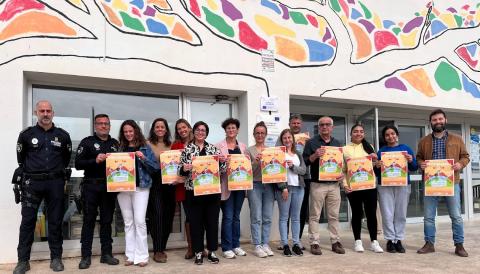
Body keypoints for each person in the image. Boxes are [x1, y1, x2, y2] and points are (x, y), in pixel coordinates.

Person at [14, 100, 72, 274]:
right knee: (27, 222)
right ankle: (23, 261)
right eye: (42, 111)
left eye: (48, 111)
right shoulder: (26, 135)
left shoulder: (63, 136)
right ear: (36, 113)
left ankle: (56, 258)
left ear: (53, 113)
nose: (45, 114)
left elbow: (66, 158)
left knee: (54, 221)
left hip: (55, 183)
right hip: (32, 184)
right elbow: (21, 158)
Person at [416, 109, 470, 257]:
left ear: (445, 120)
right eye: (434, 120)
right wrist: (420, 164)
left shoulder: (457, 139)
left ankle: (459, 245)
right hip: (431, 183)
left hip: (451, 182)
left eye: (440, 119)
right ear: (431, 122)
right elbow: (419, 157)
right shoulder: (424, 141)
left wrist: (460, 164)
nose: (438, 122)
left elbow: (465, 157)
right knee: (428, 216)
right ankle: (429, 244)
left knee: (456, 216)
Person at [75, 114, 120, 269]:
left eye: (106, 123)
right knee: (89, 221)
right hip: (91, 187)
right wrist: (95, 160)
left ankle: (106, 254)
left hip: (109, 187)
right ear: (95, 126)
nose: (103, 126)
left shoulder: (115, 143)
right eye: (100, 123)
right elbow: (78, 164)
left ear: (109, 125)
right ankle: (85, 256)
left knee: (107, 221)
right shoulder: (87, 142)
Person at [180, 121, 227, 265]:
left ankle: (212, 251)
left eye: (203, 130)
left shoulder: (213, 149)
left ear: (206, 133)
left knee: (212, 223)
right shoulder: (187, 149)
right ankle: (198, 252)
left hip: (212, 192)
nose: (201, 132)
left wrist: (222, 161)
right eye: (198, 130)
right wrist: (185, 168)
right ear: (193, 132)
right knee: (196, 223)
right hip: (193, 192)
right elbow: (180, 171)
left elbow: (223, 169)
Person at [117, 120, 159, 267]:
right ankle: (130, 255)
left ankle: (142, 256)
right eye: (125, 131)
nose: (128, 134)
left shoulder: (145, 147)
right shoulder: (120, 148)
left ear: (135, 131)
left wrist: (143, 157)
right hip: (123, 189)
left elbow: (155, 168)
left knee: (140, 221)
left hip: (141, 188)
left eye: (130, 131)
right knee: (128, 223)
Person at [303, 116, 345, 255]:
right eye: (322, 125)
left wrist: (341, 174)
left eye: (328, 124)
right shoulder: (311, 142)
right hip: (317, 185)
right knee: (315, 215)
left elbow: (341, 164)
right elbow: (305, 162)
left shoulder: (338, 143)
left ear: (332, 127)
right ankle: (314, 243)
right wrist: (314, 155)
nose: (325, 127)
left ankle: (335, 241)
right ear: (318, 127)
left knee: (334, 215)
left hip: (334, 185)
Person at [375, 125, 418, 253]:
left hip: (402, 184)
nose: (390, 136)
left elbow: (414, 167)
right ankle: (389, 240)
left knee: (400, 213)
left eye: (392, 133)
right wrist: (377, 166)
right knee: (387, 213)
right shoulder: (381, 151)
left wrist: (410, 160)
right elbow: (377, 172)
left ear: (397, 135)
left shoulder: (405, 149)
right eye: (387, 135)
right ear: (384, 137)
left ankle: (398, 240)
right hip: (385, 186)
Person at [343, 123, 383, 253]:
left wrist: (377, 162)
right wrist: (344, 185)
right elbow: (343, 170)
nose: (358, 133)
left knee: (371, 213)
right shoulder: (344, 149)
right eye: (355, 131)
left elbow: (373, 166)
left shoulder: (369, 146)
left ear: (364, 134)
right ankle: (357, 241)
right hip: (353, 187)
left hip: (369, 186)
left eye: (361, 131)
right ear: (351, 134)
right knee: (357, 213)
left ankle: (374, 242)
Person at [216, 118, 248, 259]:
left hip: (240, 186)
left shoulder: (242, 146)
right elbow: (214, 168)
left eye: (233, 128)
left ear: (237, 130)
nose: (231, 130)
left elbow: (246, 167)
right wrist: (221, 162)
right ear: (225, 130)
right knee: (228, 217)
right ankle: (226, 247)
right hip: (226, 186)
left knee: (236, 217)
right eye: (228, 128)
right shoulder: (218, 146)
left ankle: (236, 245)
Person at [146, 118, 176, 263]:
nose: (159, 129)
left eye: (162, 127)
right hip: (155, 182)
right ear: (153, 129)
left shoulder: (172, 145)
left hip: (170, 183)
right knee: (156, 215)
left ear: (166, 129)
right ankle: (157, 250)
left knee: (168, 216)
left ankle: (162, 247)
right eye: (157, 126)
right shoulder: (147, 143)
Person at [246, 121, 276, 258]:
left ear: (266, 134)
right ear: (254, 134)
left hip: (269, 186)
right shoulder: (249, 150)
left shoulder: (271, 150)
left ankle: (265, 243)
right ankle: (257, 245)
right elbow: (247, 172)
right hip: (255, 185)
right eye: (257, 133)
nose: (260, 135)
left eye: (262, 133)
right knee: (256, 217)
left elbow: (276, 170)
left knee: (268, 217)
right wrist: (255, 162)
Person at [276, 129, 306, 257]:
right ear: (281, 140)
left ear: (293, 139)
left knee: (296, 218)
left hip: (299, 188)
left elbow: (304, 170)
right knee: (284, 217)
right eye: (285, 138)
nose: (287, 140)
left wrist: (293, 166)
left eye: (289, 137)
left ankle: (296, 244)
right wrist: (283, 187)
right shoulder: (278, 153)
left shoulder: (298, 154)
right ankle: (285, 244)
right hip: (285, 189)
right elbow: (276, 173)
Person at [171, 118, 194, 259]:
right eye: (179, 128)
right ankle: (191, 248)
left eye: (184, 127)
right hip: (182, 186)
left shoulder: (196, 143)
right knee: (190, 216)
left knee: (199, 217)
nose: (182, 130)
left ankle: (199, 247)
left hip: (198, 185)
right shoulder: (175, 145)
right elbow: (172, 166)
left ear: (189, 128)